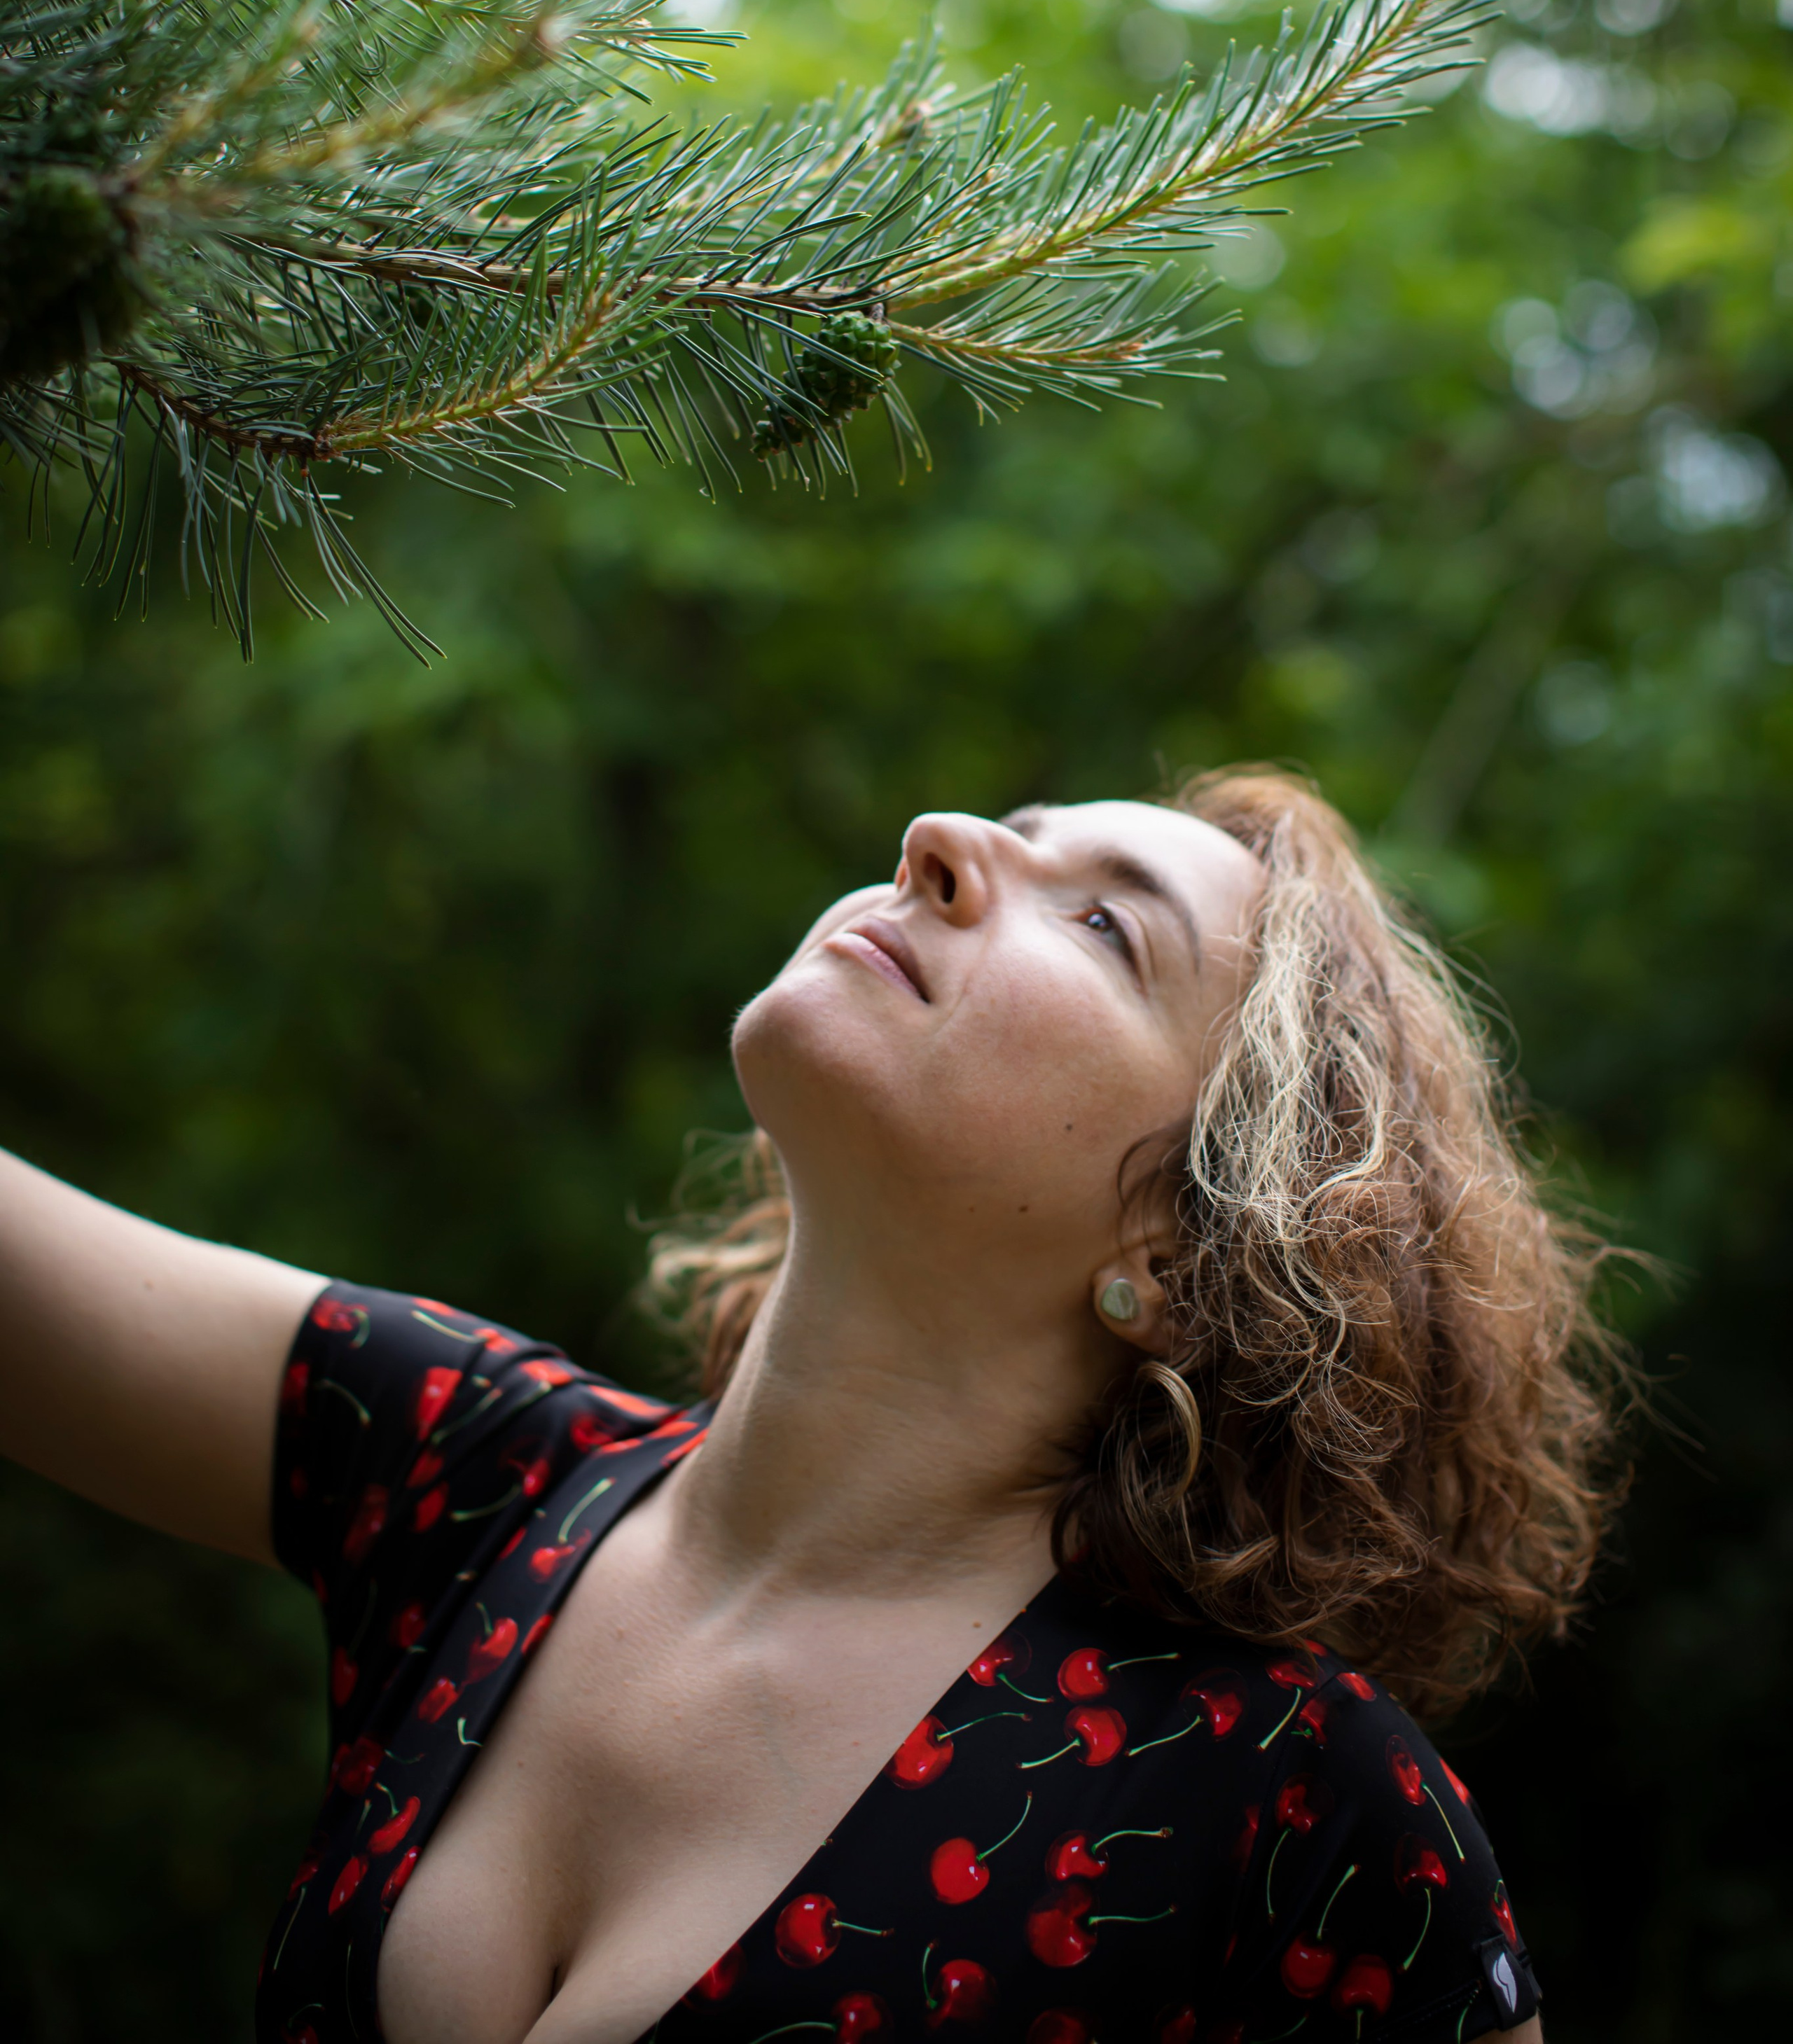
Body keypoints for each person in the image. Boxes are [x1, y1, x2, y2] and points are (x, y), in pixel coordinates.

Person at [0, 767, 1613, 2044]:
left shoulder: (1282, 1805)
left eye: (1105, 927)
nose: (938, 838)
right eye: (1012, 829)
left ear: (1185, 1252)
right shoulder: (478, 1477)